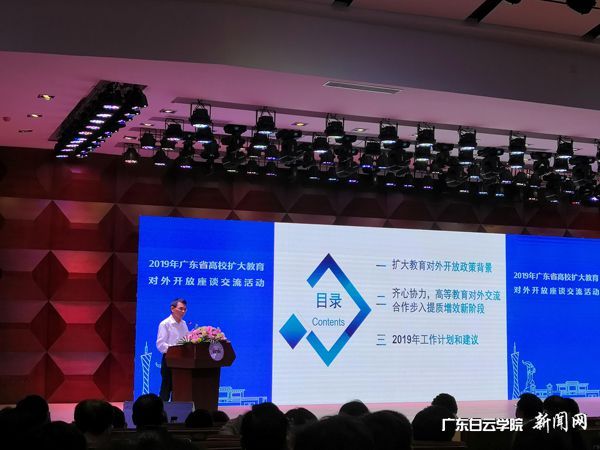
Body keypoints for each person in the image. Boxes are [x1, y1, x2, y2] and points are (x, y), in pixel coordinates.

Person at [156, 298, 189, 401]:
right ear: (172, 308)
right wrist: (175, 350)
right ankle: (162, 409)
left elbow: (186, 340)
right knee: (166, 387)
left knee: (179, 389)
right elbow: (160, 344)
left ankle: (177, 409)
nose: (183, 311)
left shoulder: (184, 324)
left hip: (182, 361)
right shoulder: (165, 324)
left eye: (185, 309)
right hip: (169, 360)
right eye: (181, 309)